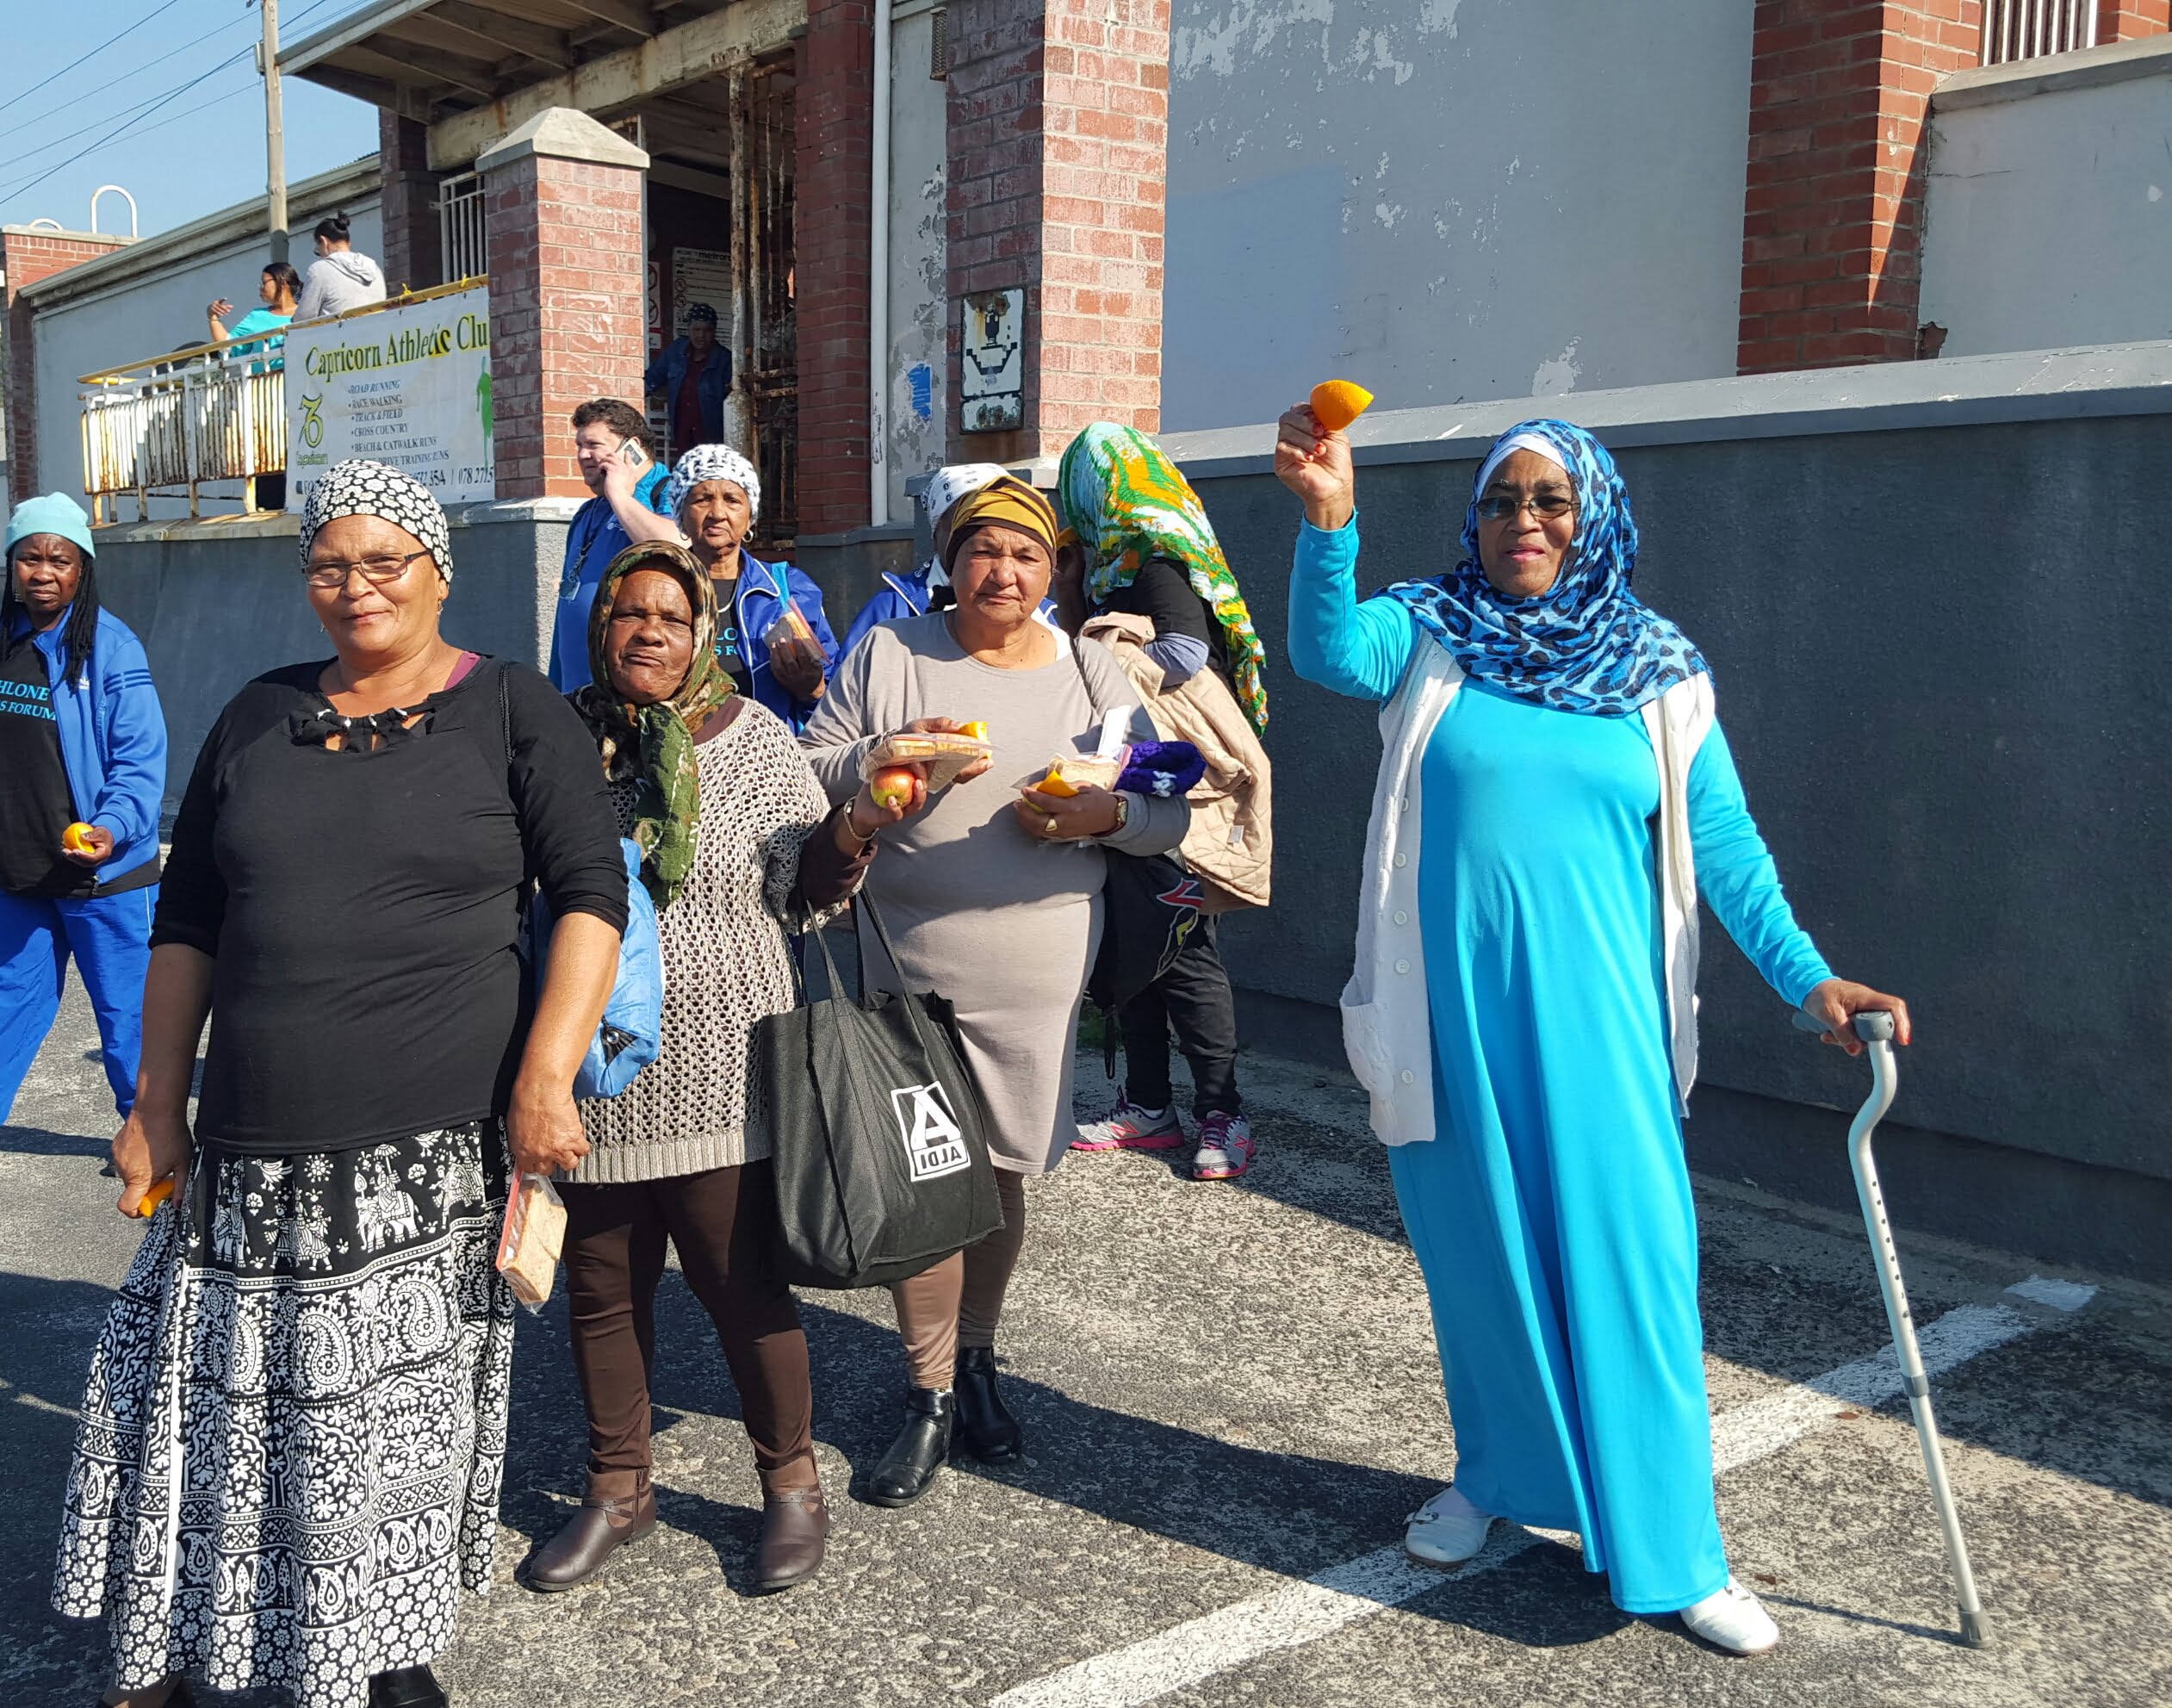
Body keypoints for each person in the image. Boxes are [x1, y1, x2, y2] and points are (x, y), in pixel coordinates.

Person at [1275, 407, 1912, 1656]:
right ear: (1475, 516)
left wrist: (1808, 975)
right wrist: (1324, 521)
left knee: (1634, 1277)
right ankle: (1500, 1479)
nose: (1525, 522)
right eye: (1503, 500)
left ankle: (1676, 1551)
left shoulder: (1660, 673)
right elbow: (1327, 653)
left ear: (1596, 516)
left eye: (1550, 501)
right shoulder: (1427, 632)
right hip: (1451, 1021)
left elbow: (1721, 845)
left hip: (1602, 1028)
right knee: (1482, 1268)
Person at [53, 460, 628, 1708]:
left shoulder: (515, 709)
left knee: (381, 1436)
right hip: (250, 1142)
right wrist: (158, 1102)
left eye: (383, 562)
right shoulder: (258, 711)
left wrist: (546, 1074)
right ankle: (188, 1638)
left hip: (422, 1160)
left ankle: (375, 1649)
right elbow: (189, 916)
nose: (355, 587)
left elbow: (592, 893)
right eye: (328, 564)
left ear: (437, 570)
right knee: (222, 1417)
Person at [526, 541, 911, 1597]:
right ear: (599, 626)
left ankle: (790, 1486)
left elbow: (804, 887)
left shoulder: (756, 743)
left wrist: (856, 825)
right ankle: (619, 1491)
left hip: (722, 1072)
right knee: (601, 1295)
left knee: (741, 1289)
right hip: (594, 1073)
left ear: (700, 635)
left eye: (670, 616)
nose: (647, 630)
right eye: (626, 614)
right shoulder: (559, 739)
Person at [801, 475, 1188, 1506]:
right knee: (925, 1175)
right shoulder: (890, 652)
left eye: (1023, 554)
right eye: (981, 551)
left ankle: (976, 1361)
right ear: (950, 560)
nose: (1001, 572)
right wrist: (881, 758)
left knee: (1004, 1171)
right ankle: (927, 1392)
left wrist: (1096, 822)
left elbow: (1166, 816)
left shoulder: (1096, 673)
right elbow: (809, 770)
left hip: (1040, 962)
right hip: (908, 953)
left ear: (1050, 567)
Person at [1057, 424, 1273, 1181]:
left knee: (1185, 950)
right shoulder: (1118, 560)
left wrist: (1114, 648)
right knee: (1131, 949)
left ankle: (1223, 1110)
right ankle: (1148, 1106)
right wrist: (1074, 582)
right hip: (1132, 775)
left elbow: (1182, 656)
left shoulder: (1158, 555)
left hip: (1173, 780)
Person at [0, 494, 165, 1128]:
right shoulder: (7, 639)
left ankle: (149, 1141)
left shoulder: (111, 648)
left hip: (105, 874)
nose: (43, 571)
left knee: (128, 1017)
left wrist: (113, 826)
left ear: (82, 568)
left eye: (59, 559)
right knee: (11, 1005)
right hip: (22, 874)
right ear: (12, 564)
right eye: (29, 557)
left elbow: (142, 759)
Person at [662, 444, 836, 730]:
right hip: (682, 761)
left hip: (768, 761)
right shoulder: (662, 588)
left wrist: (811, 688)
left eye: (732, 500)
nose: (717, 513)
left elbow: (836, 699)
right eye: (702, 499)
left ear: (750, 517)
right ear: (682, 515)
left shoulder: (787, 590)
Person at [836, 463, 1064, 661]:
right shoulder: (893, 608)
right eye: (962, 522)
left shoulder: (1036, 610)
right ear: (937, 535)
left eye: (1025, 556)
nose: (1003, 575)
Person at [549, 398, 680, 693]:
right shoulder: (588, 512)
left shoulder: (671, 492)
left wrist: (622, 495)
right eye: (579, 446)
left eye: (593, 445)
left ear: (630, 450)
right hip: (576, 690)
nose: (582, 455)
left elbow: (670, 548)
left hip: (631, 691)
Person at [644, 303, 731, 461]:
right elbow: (654, 376)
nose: (701, 336)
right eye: (696, 330)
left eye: (707, 330)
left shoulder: (724, 359)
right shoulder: (676, 352)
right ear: (689, 329)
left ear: (714, 332)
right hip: (682, 430)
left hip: (712, 435)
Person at [292, 212, 388, 320]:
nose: (320, 255)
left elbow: (304, 317)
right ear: (348, 243)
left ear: (324, 241)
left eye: (318, 250)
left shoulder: (320, 270)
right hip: (377, 333)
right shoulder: (374, 268)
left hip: (337, 335)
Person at [206, 260, 301, 357]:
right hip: (264, 372)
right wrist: (213, 317)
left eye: (264, 283)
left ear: (282, 282)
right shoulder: (257, 316)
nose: (261, 288)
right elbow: (228, 347)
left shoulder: (307, 313)